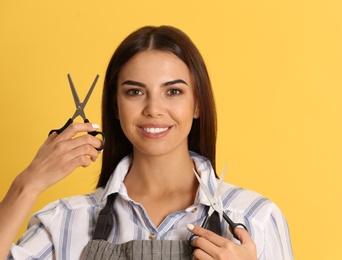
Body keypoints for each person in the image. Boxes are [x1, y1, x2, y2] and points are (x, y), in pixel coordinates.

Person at [0, 25, 293, 259]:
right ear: (115, 106)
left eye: (173, 92)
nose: (153, 108)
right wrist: (27, 185)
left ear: (198, 104)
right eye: (135, 92)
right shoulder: (63, 221)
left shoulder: (255, 217)